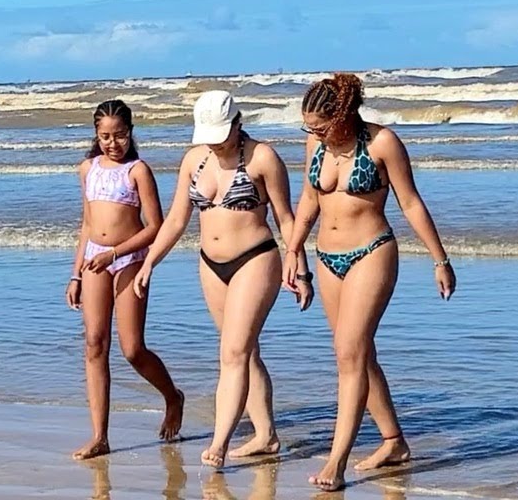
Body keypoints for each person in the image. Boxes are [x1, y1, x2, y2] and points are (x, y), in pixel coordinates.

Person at [287, 74, 456, 492]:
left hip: (372, 252)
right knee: (358, 353)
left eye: (320, 126)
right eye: (308, 127)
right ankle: (394, 442)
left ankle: (336, 459)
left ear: (343, 115)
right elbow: (309, 201)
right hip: (328, 259)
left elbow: (411, 202)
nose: (314, 134)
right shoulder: (316, 146)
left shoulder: (382, 144)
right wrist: (292, 251)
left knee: (348, 352)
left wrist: (440, 260)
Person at [134, 90, 312, 469]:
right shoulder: (194, 159)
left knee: (232, 353)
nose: (214, 144)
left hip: (256, 259)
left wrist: (299, 263)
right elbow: (177, 220)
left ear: (237, 123)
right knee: (245, 352)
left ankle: (219, 442)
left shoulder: (262, 158)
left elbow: (285, 218)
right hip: (210, 265)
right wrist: (150, 262)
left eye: (220, 135)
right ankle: (266, 436)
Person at [66, 100, 184, 460]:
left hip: (128, 259)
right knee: (94, 344)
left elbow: (155, 227)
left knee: (132, 348)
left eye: (119, 135)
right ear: (96, 135)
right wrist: (75, 274)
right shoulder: (87, 168)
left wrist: (115, 253)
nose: (112, 143)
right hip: (93, 262)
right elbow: (87, 224)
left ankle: (172, 396)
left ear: (130, 133)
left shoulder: (138, 171)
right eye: (105, 136)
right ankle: (100, 436)